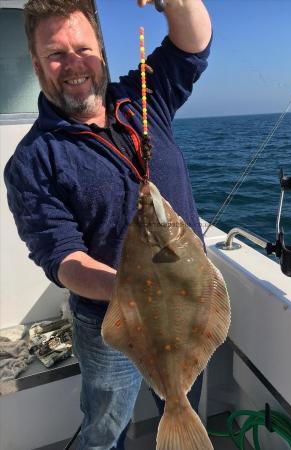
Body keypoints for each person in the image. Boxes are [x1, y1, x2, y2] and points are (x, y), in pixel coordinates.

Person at [4, 0, 212, 448]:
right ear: (37, 67)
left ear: (101, 49)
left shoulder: (141, 99)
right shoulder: (32, 162)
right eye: (56, 55)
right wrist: (129, 289)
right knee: (104, 427)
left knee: (184, 395)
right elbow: (61, 257)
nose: (73, 64)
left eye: (83, 48)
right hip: (108, 324)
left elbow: (192, 47)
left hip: (186, 309)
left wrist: (177, 2)